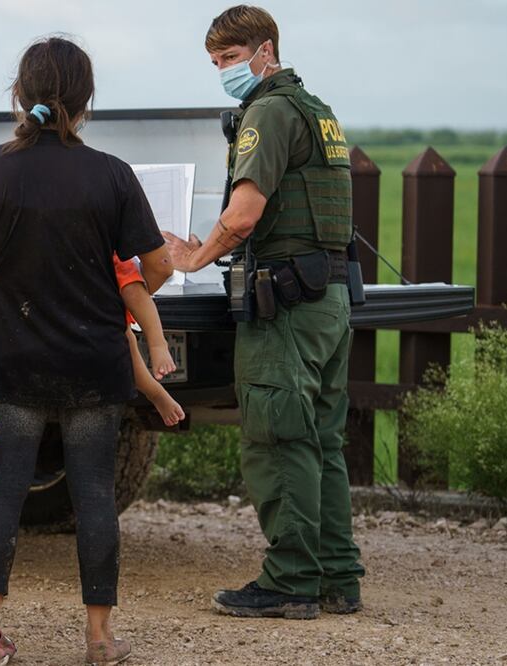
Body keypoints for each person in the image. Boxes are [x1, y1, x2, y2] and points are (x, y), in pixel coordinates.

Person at [0, 37, 174, 666]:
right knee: (94, 494)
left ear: (20, 94)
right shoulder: (111, 173)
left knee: (4, 492)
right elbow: (156, 267)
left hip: (14, 360)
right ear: (85, 99)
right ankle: (99, 639)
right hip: (94, 363)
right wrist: (117, 297)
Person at [163, 5, 365, 619]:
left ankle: (291, 581)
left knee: (277, 439)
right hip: (329, 297)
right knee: (321, 441)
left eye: (230, 57)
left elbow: (245, 213)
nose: (223, 70)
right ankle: (336, 577)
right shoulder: (317, 110)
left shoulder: (270, 112)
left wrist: (194, 257)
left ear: (265, 51)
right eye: (215, 61)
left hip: (287, 305)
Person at [0, 172, 184, 428]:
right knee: (125, 339)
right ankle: (155, 391)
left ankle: (157, 349)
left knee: (130, 301)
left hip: (96, 259)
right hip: (72, 308)